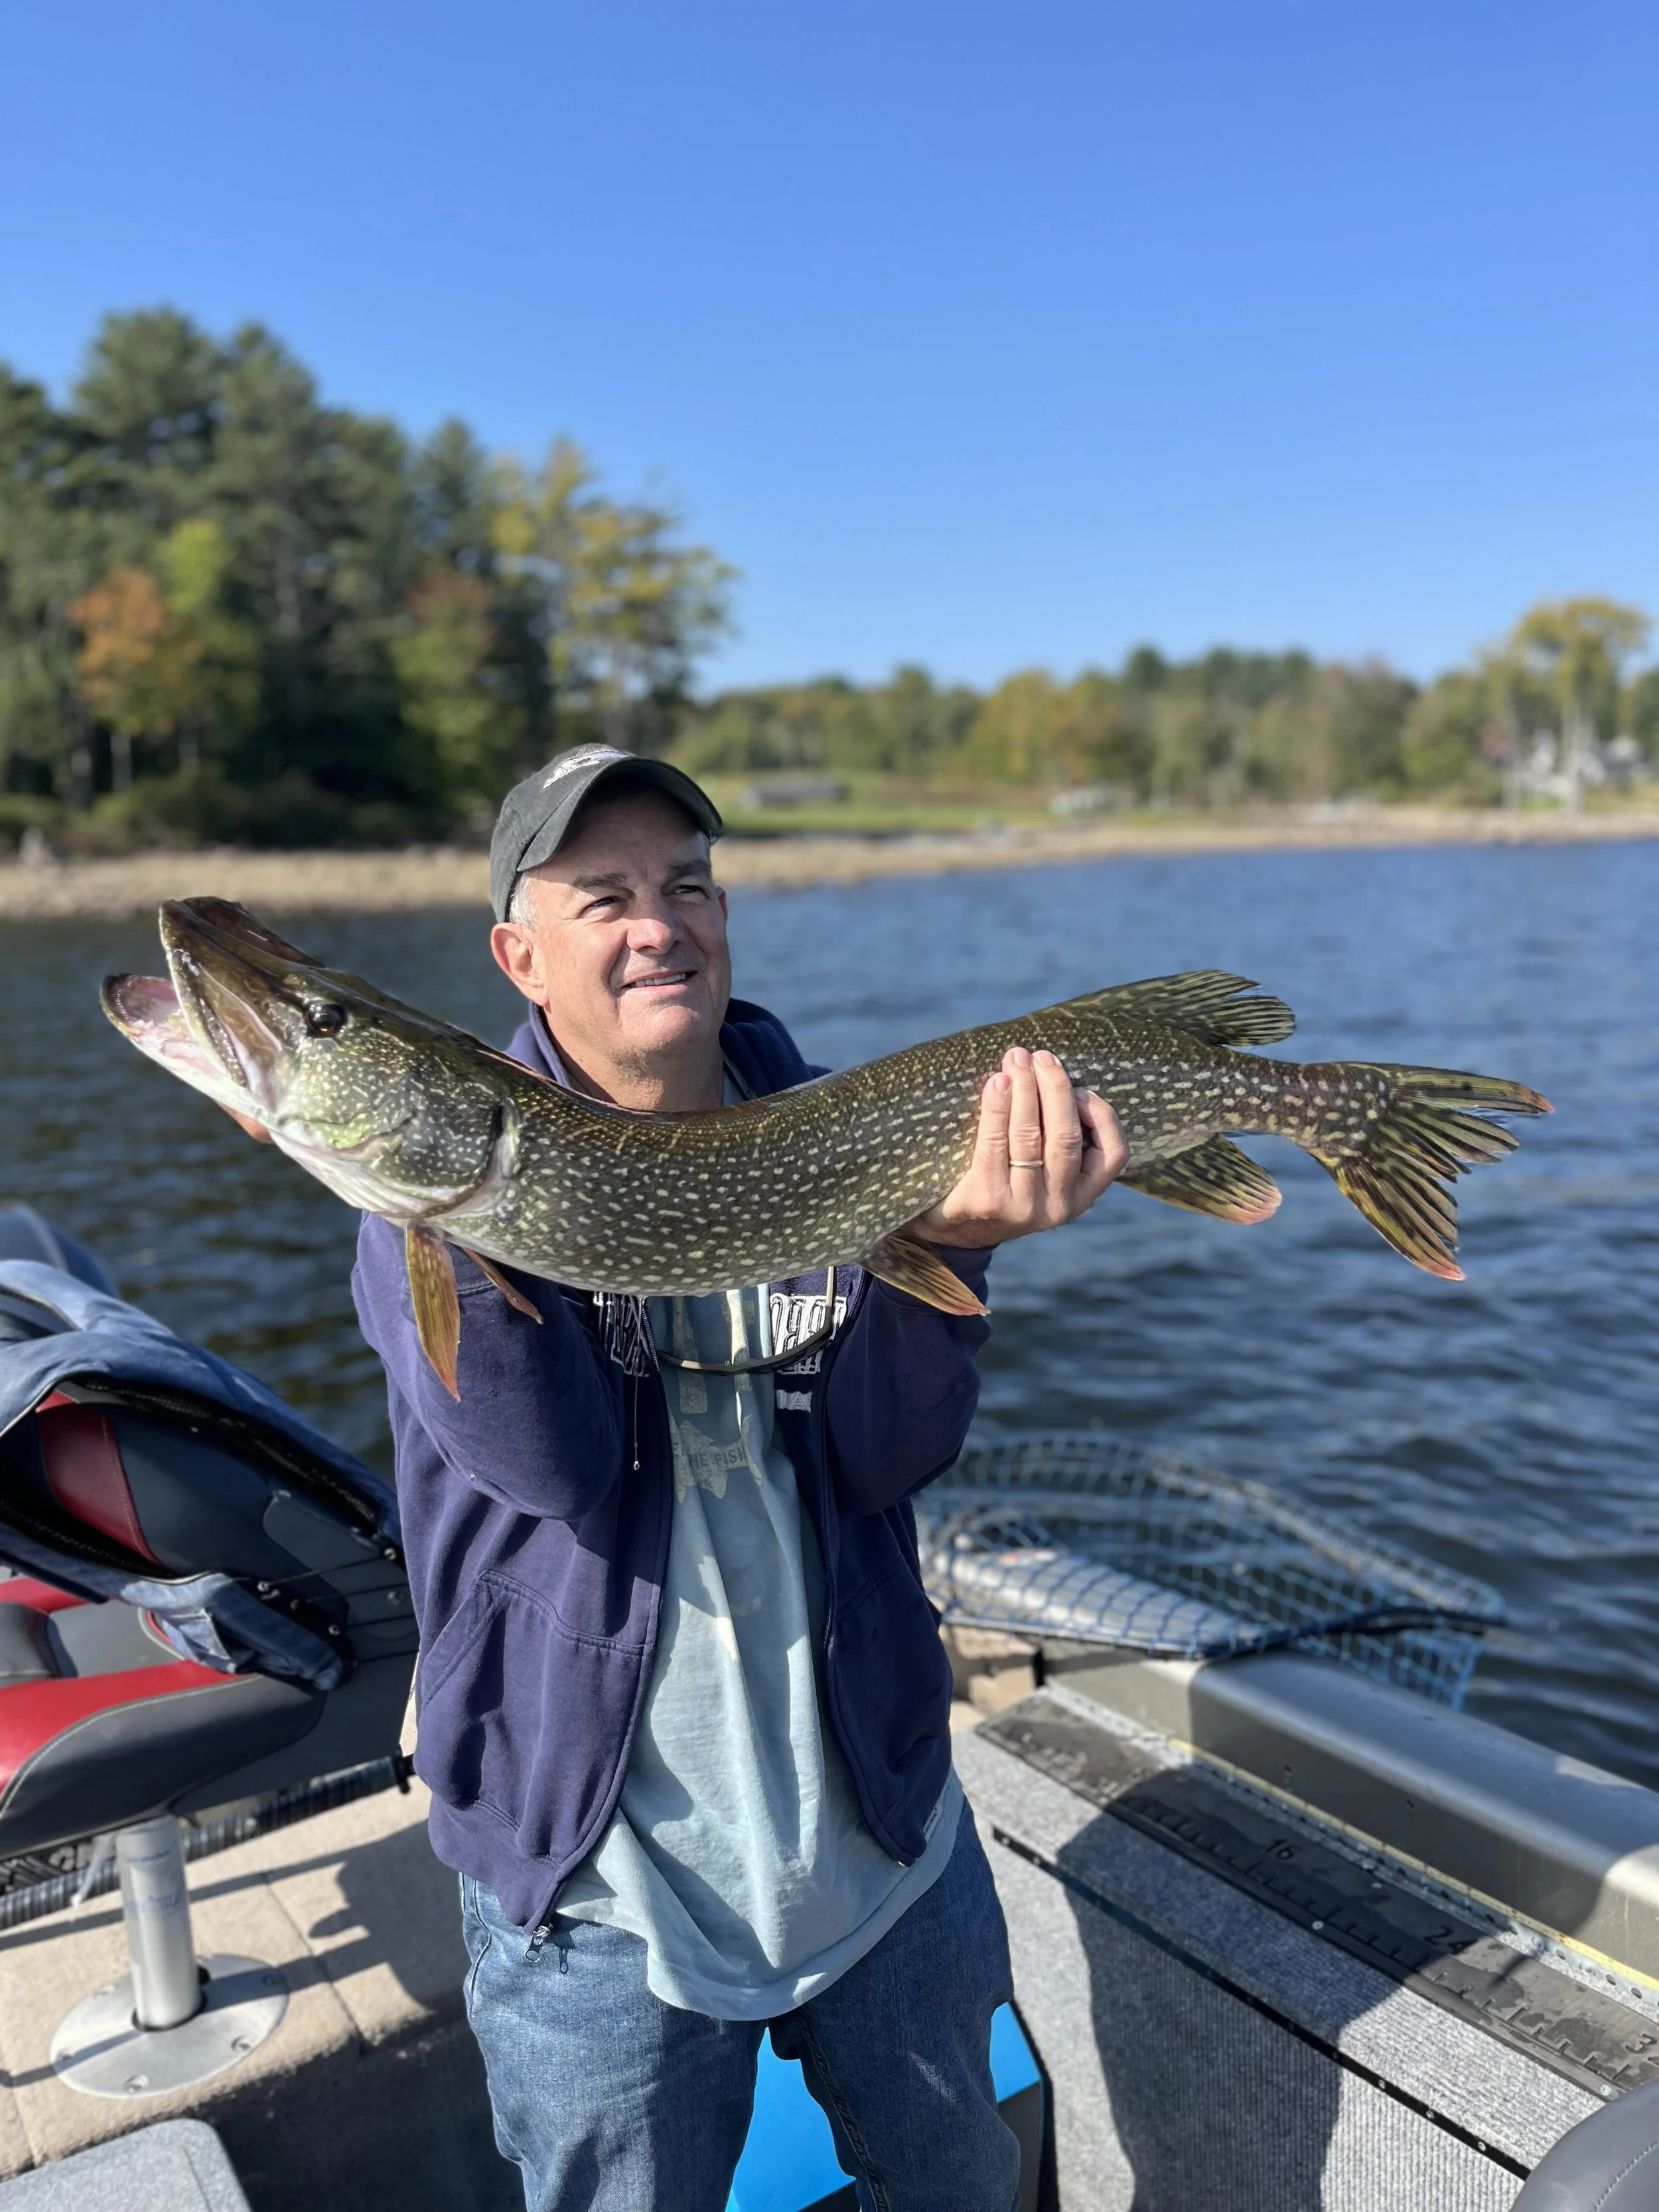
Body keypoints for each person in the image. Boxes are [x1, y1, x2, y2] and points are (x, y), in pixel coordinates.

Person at [350, 744, 1126, 2212]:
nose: (660, 922)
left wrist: (953, 1242)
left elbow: (883, 1458)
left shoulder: (844, 1132)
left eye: (686, 885)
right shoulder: (421, 1214)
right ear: (518, 955)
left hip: (882, 1845)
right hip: (598, 1896)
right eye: (605, 896)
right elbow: (554, 1468)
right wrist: (443, 1198)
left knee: (964, 2184)